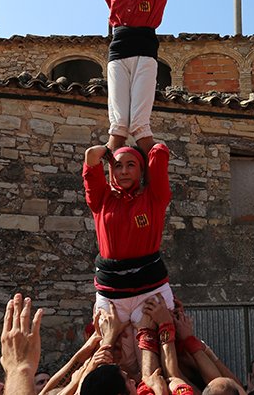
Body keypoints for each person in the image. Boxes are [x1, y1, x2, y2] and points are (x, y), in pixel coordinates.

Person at [80, 138, 175, 370]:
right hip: (112, 294)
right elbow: (91, 156)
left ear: (142, 171)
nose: (123, 171)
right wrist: (113, 142)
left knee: (155, 363)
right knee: (113, 361)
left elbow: (159, 151)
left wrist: (141, 132)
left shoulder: (154, 197)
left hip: (150, 290)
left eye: (131, 165)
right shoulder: (101, 198)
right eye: (118, 165)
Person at [87, 0, 181, 152]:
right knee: (118, 127)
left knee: (139, 125)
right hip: (118, 54)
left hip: (145, 54)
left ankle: (154, 178)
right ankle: (110, 180)